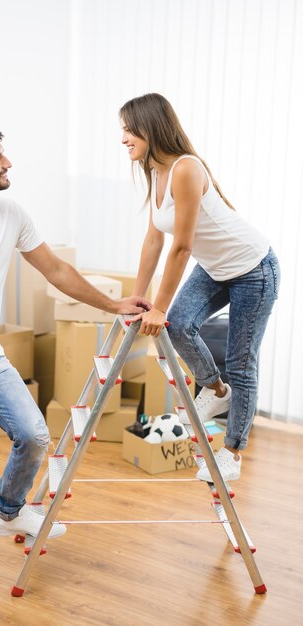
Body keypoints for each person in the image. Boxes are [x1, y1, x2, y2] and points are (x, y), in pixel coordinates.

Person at [0, 122, 151, 598]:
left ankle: (10, 509)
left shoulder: (11, 213)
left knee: (35, 434)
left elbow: (56, 269)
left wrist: (114, 305)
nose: (9, 163)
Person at [120, 93, 280, 484]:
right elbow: (154, 241)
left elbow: (182, 246)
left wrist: (157, 307)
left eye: (128, 130)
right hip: (216, 268)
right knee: (178, 323)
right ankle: (214, 387)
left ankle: (234, 451)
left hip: (253, 269)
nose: (123, 139)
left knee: (242, 363)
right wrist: (139, 301)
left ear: (150, 127)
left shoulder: (186, 169)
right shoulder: (154, 171)